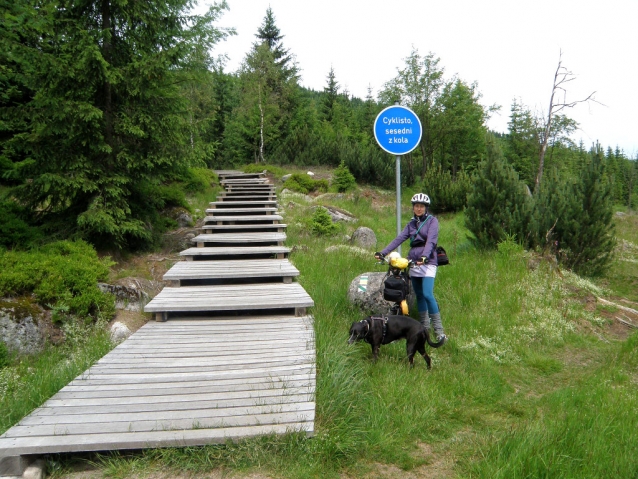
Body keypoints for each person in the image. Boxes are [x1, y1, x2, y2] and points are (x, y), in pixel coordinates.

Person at [374, 193, 447, 343]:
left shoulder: (432, 221)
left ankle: (439, 332)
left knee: (427, 294)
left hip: (428, 261)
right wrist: (383, 252)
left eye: (421, 206)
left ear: (426, 208)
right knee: (419, 295)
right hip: (413, 261)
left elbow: (431, 241)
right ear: (413, 207)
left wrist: (425, 256)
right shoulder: (411, 224)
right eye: (416, 206)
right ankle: (424, 328)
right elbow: (399, 239)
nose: (418, 208)